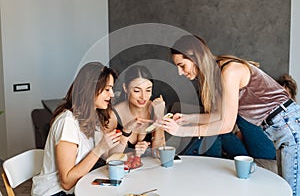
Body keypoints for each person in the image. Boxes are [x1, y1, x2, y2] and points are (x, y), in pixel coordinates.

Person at [160, 35, 300, 195]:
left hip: (289, 127)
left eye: (182, 65)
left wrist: (182, 131)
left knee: (292, 191)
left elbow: (226, 125)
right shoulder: (218, 74)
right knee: (286, 189)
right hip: (281, 129)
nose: (179, 72)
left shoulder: (230, 71)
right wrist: (187, 119)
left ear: (195, 56)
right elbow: (219, 115)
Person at [31, 62, 133, 196]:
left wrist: (126, 132)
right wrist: (100, 148)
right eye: (107, 89)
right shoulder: (68, 122)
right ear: (90, 89)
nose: (112, 94)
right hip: (55, 193)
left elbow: (108, 157)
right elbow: (66, 182)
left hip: (76, 187)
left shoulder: (92, 117)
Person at [107, 65, 166, 157]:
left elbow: (160, 154)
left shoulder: (156, 109)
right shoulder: (113, 115)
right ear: (125, 88)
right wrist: (134, 154)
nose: (143, 97)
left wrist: (159, 116)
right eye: (137, 91)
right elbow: (109, 158)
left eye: (148, 90)